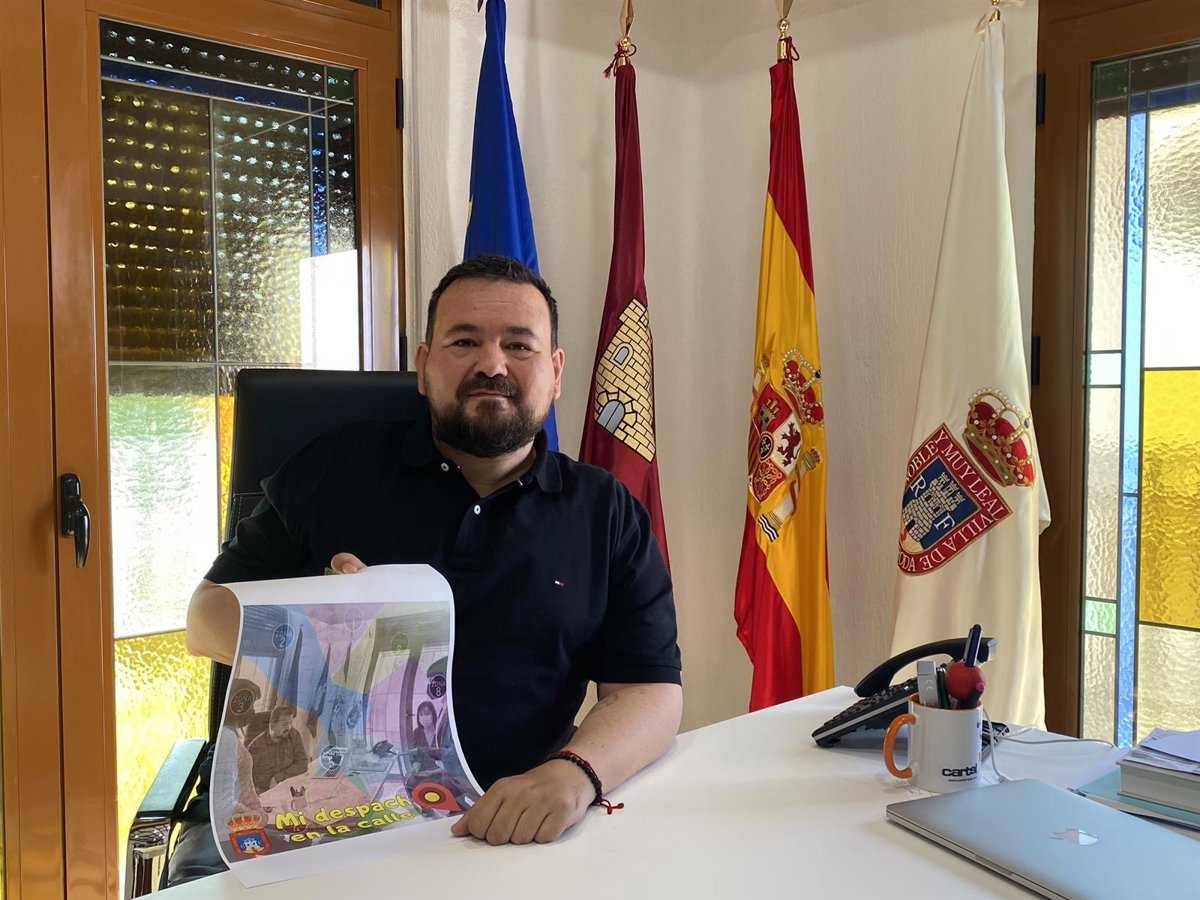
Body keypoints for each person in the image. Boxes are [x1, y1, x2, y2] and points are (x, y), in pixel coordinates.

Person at [187, 254, 683, 846]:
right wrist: (317, 621)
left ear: (554, 372)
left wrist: (574, 775)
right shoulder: (332, 469)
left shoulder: (606, 511)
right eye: (464, 341)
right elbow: (203, 619)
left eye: (518, 346)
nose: (491, 364)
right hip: (327, 820)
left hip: (517, 825)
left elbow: (649, 690)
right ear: (423, 366)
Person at [246, 705, 310, 792]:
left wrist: (279, 777)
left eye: (290, 723)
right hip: (266, 792)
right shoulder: (255, 747)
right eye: (284, 724)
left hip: (289, 785)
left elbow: (303, 764)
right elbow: (246, 778)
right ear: (273, 724)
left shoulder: (294, 735)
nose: (289, 728)